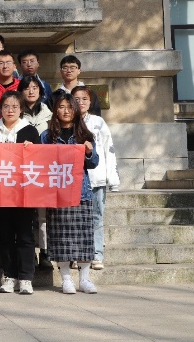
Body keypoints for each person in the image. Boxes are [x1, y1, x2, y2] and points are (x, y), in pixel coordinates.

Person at [41, 94, 100, 294]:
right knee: (61, 238)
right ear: (55, 110)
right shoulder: (47, 136)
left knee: (84, 238)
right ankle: (66, 279)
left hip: (81, 191)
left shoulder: (84, 134)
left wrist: (89, 152)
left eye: (69, 107)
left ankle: (85, 279)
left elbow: (93, 163)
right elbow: (41, 162)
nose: (65, 111)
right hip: (57, 192)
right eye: (61, 107)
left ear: (75, 110)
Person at [0, 91, 41, 295]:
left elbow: (40, 160)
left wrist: (33, 150)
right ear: (0, 109)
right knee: (5, 236)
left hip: (23, 191)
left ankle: (26, 277)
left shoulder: (30, 131)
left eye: (14, 106)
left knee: (24, 235)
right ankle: (9, 275)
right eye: (6, 106)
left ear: (21, 109)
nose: (10, 110)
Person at [72, 86, 120, 271]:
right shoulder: (67, 122)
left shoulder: (98, 122)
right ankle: (77, 254)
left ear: (90, 102)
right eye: (76, 99)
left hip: (97, 178)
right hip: (74, 179)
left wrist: (112, 178)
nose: (81, 102)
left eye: (84, 99)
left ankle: (97, 254)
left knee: (96, 217)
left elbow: (109, 149)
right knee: (75, 218)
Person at [17, 76, 53, 270]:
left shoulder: (50, 115)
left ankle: (45, 253)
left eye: (34, 88)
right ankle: (29, 253)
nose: (31, 91)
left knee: (43, 215)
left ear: (40, 91)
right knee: (25, 215)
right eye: (27, 88)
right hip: (21, 171)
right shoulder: (16, 114)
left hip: (43, 170)